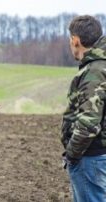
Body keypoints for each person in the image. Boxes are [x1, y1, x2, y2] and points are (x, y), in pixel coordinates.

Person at [61, 15, 106, 202]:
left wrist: (72, 155)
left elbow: (89, 123)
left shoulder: (94, 71)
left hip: (90, 157)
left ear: (75, 40)